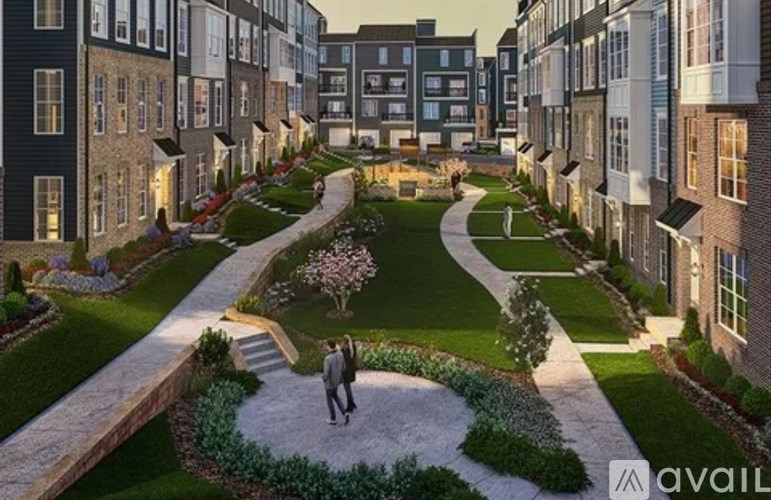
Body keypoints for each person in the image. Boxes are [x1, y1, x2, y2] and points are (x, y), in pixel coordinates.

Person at [322, 339, 349, 425]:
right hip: (337, 380)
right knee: (336, 396)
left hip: (329, 382)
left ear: (329, 346)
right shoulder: (340, 354)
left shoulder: (328, 358)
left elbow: (326, 372)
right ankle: (344, 412)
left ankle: (333, 419)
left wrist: (324, 378)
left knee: (329, 399)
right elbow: (344, 367)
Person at [340, 335, 358, 413]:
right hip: (351, 371)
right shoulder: (352, 348)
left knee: (347, 388)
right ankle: (352, 403)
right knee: (348, 388)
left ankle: (350, 405)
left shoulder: (344, 350)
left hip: (345, 371)